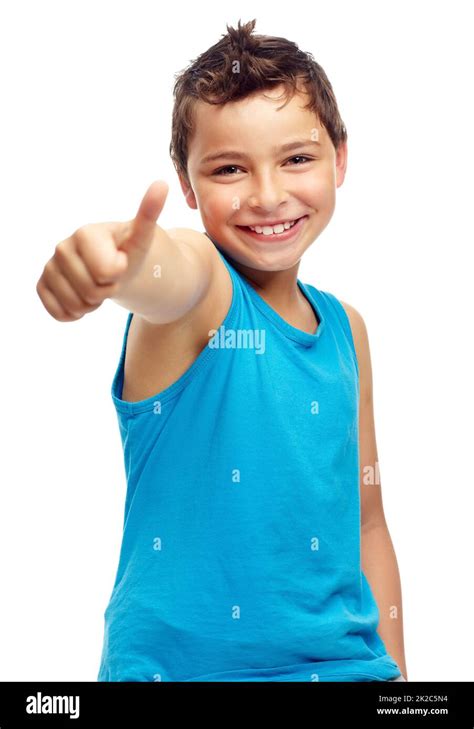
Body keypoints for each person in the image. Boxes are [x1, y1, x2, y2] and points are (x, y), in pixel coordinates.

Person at [36, 18, 408, 682]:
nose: (268, 195)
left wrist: (402, 686)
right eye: (229, 168)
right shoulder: (205, 295)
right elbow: (169, 272)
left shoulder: (348, 329)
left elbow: (369, 522)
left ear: (340, 158)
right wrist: (118, 264)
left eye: (297, 158)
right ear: (186, 184)